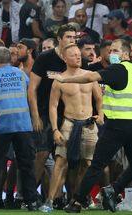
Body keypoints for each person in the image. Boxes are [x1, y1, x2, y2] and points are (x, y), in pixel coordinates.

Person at [52, 39, 132, 214]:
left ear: (126, 54)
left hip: (118, 125)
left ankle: (78, 202)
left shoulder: (118, 69)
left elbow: (91, 77)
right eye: (111, 50)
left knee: (97, 164)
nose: (112, 53)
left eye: (116, 50)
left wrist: (64, 79)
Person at [40, 43, 102, 212]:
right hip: (69, 123)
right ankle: (50, 200)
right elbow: (53, 106)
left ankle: (77, 199)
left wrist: (101, 115)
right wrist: (55, 129)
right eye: (73, 55)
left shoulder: (90, 76)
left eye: (78, 54)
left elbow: (99, 98)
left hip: (89, 124)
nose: (78, 57)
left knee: (87, 163)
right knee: (61, 162)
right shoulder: (60, 79)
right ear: (65, 58)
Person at [0, 46, 38, 211]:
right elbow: (31, 95)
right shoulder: (22, 74)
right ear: (10, 60)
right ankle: (31, 201)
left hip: (2, 125)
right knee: (26, 164)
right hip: (23, 124)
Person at [28, 24, 82, 192]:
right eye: (68, 37)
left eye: (74, 38)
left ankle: (67, 198)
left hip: (69, 115)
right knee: (42, 154)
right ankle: (28, 197)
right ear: (59, 39)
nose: (72, 40)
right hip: (45, 113)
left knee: (68, 159)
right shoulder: (45, 58)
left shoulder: (77, 59)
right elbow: (32, 89)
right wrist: (35, 116)